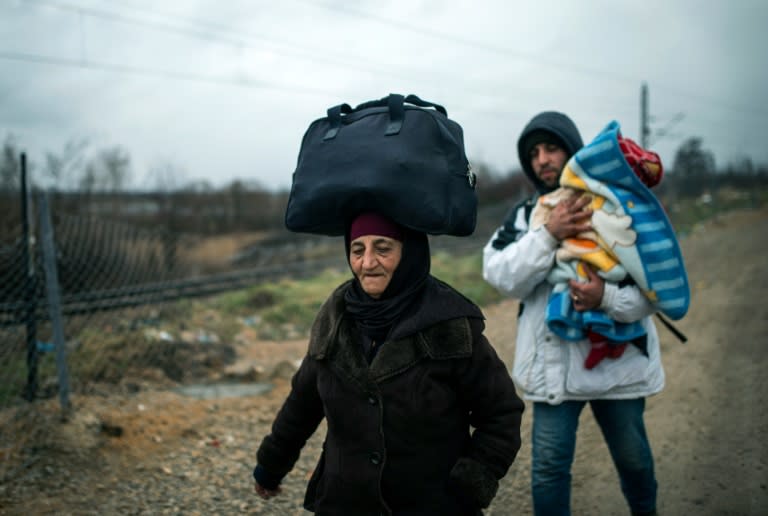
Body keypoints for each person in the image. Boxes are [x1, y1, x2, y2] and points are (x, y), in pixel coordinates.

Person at [253, 211, 525, 515]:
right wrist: (270, 466)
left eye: (383, 248)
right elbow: (301, 405)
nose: (368, 263)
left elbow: (502, 413)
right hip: (344, 502)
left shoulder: (450, 324)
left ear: (410, 252)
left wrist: (469, 485)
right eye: (358, 250)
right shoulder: (335, 321)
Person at [482, 111, 663, 516]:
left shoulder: (616, 206)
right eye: (533, 153)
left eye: (552, 148)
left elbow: (654, 293)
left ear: (573, 150)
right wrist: (549, 234)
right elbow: (499, 274)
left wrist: (605, 298)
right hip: (554, 371)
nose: (542, 160)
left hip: (619, 367)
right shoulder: (525, 215)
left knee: (634, 462)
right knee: (548, 469)